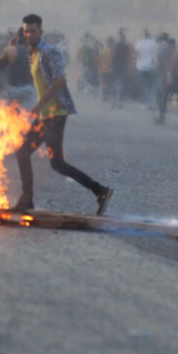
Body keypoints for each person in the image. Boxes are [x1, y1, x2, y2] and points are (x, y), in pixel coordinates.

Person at [9, 14, 112, 215]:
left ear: (41, 32)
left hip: (55, 113)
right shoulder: (33, 51)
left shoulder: (50, 51)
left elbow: (60, 81)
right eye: (26, 31)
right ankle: (26, 199)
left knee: (56, 162)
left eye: (33, 31)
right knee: (24, 153)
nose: (29, 34)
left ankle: (100, 191)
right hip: (44, 115)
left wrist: (40, 104)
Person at [0, 27, 36, 110]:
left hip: (12, 89)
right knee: (28, 117)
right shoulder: (35, 51)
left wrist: (8, 46)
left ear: (17, 38)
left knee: (11, 115)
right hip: (28, 88)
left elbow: (0, 66)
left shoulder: (10, 50)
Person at [155, 34, 178, 127]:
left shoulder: (173, 55)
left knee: (164, 98)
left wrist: (169, 79)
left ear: (170, 45)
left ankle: (162, 117)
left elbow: (171, 67)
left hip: (173, 79)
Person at [135, 28, 159, 109]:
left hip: (141, 67)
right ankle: (152, 102)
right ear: (150, 36)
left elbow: (137, 55)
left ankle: (146, 103)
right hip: (152, 67)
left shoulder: (139, 44)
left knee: (143, 86)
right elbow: (155, 56)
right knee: (152, 86)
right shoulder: (154, 43)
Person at [110, 28, 131, 106]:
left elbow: (113, 54)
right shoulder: (126, 44)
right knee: (122, 82)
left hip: (116, 64)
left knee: (115, 82)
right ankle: (120, 101)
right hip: (123, 64)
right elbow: (129, 55)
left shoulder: (116, 44)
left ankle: (114, 99)